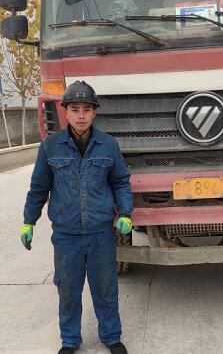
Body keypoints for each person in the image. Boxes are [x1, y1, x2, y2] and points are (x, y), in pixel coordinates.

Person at [19, 81, 133, 354]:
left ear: (94, 112)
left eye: (86, 109)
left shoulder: (109, 145)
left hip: (100, 233)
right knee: (68, 290)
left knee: (105, 288)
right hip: (66, 234)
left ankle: (111, 337)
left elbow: (120, 182)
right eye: (75, 109)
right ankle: (69, 340)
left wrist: (125, 213)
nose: (81, 115)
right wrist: (28, 221)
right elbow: (39, 188)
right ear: (66, 112)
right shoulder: (50, 147)